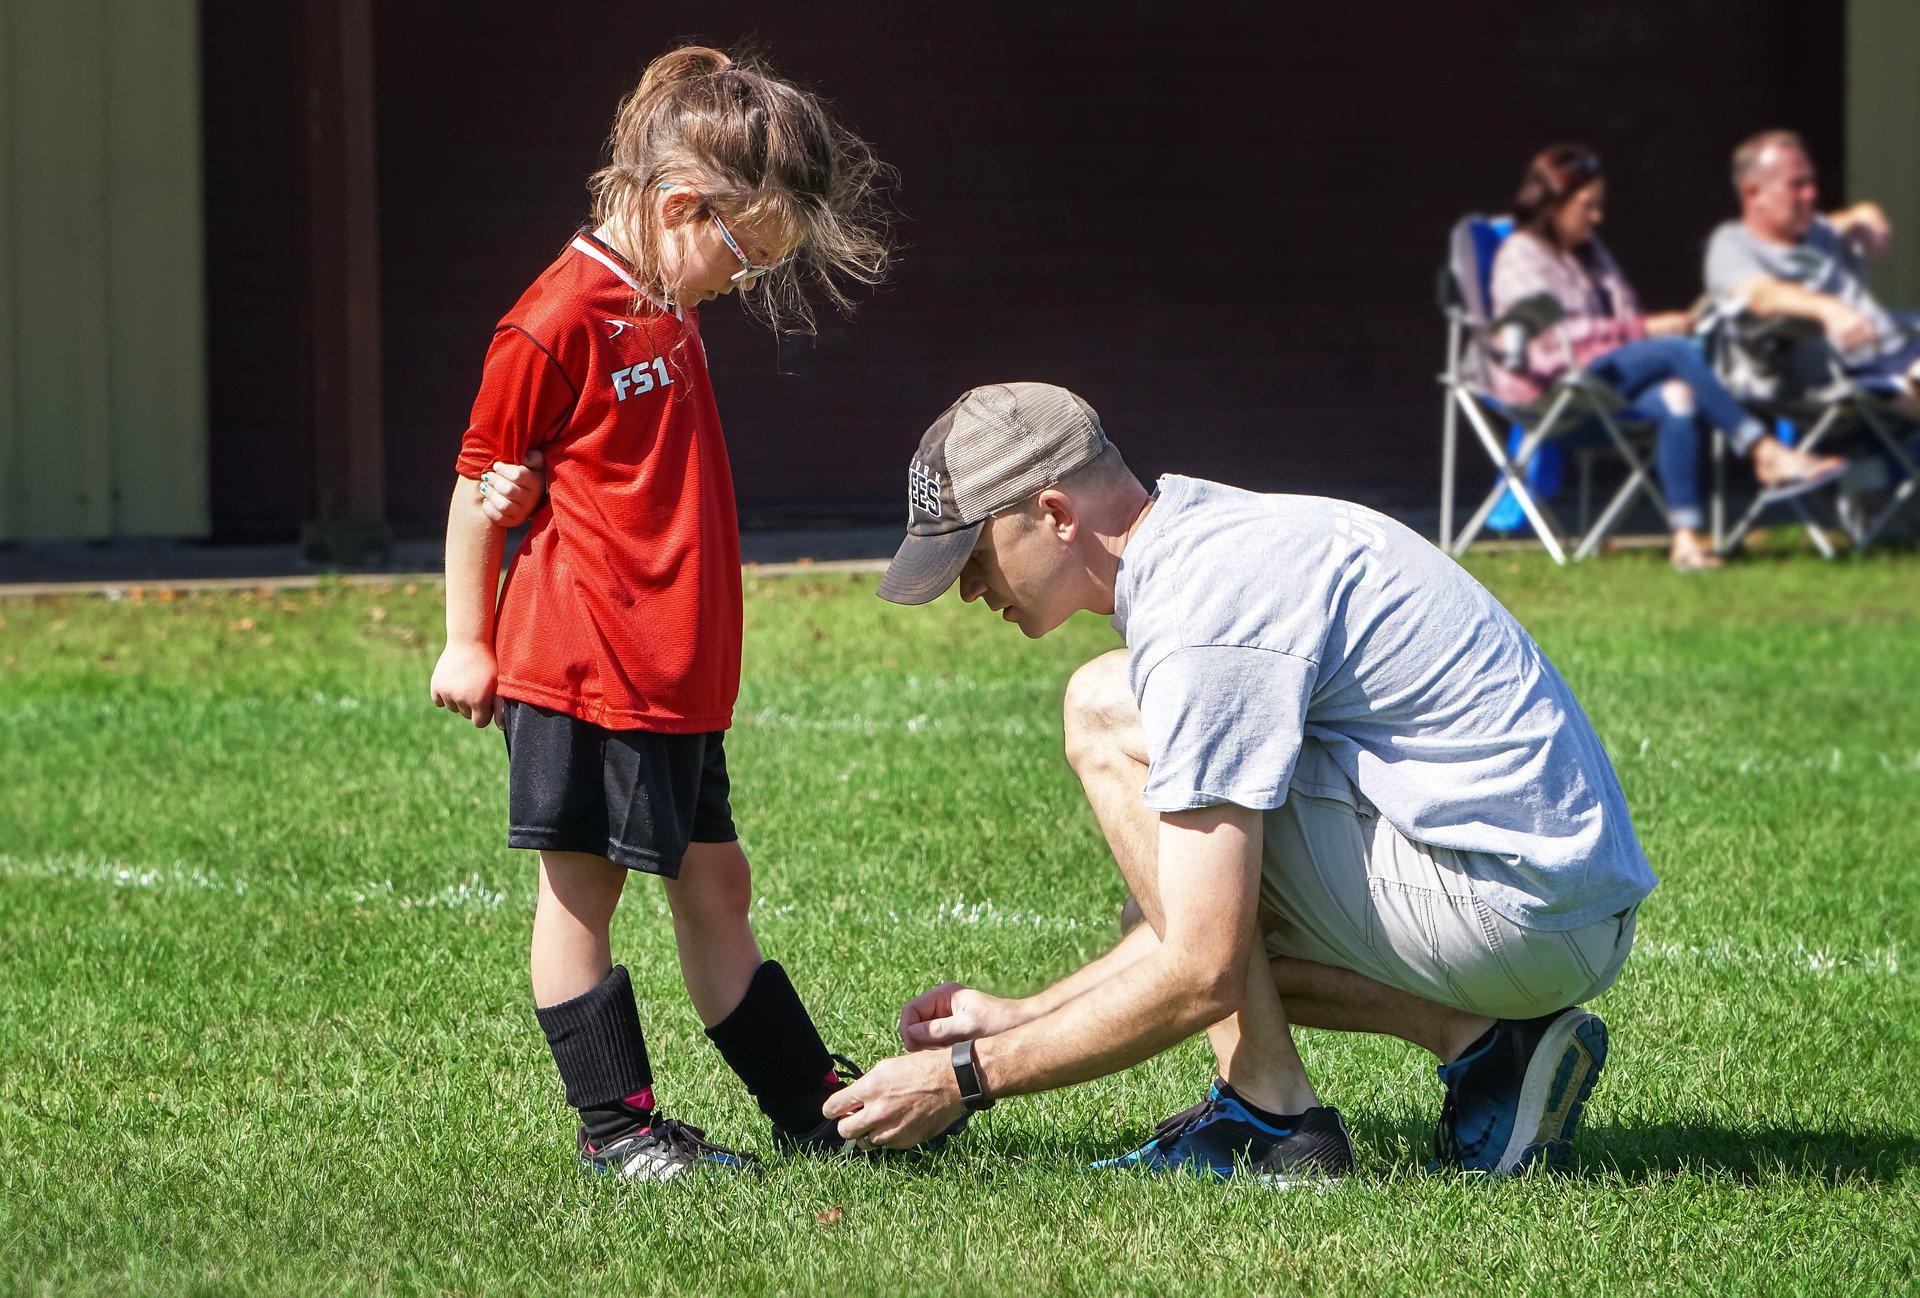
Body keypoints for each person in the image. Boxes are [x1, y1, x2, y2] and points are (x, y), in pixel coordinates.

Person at [824, 383, 1657, 1182]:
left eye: (972, 555)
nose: (970, 589)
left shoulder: (1200, 615)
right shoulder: (1207, 536)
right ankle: (1485, 1045)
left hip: (1518, 909)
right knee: (1173, 879)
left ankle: (1272, 1120)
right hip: (1548, 899)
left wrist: (964, 1077)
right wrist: (1024, 1015)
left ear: (1052, 513)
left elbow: (1202, 969)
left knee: (1106, 718)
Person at [429, 45, 895, 1181]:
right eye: (743, 255)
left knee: (716, 883)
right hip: (586, 662)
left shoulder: (665, 298)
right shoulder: (553, 318)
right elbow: (478, 481)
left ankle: (809, 1104)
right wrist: (467, 639)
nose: (741, 283)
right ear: (680, 206)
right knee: (582, 889)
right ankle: (620, 1128)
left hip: (674, 670)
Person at [1489, 144, 1843, 571]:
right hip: (1551, 392)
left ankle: (1686, 540)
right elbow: (1547, 346)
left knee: (1679, 395)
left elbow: (1626, 311)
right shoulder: (1519, 256)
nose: (1597, 217)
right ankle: (1762, 450)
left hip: (1605, 387)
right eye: (1588, 207)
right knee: (1674, 351)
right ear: (1552, 202)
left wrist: (1649, 330)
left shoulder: (1590, 253)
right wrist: (1646, 332)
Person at [1705, 129, 1920, 420]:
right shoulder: (1731, 244)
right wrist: (1828, 309)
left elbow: (1851, 218)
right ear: (1753, 192)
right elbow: (1759, 295)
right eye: (1796, 185)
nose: (1812, 193)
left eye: (1811, 182)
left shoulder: (1814, 230)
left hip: (1900, 353)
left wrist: (1868, 214)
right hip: (1849, 376)